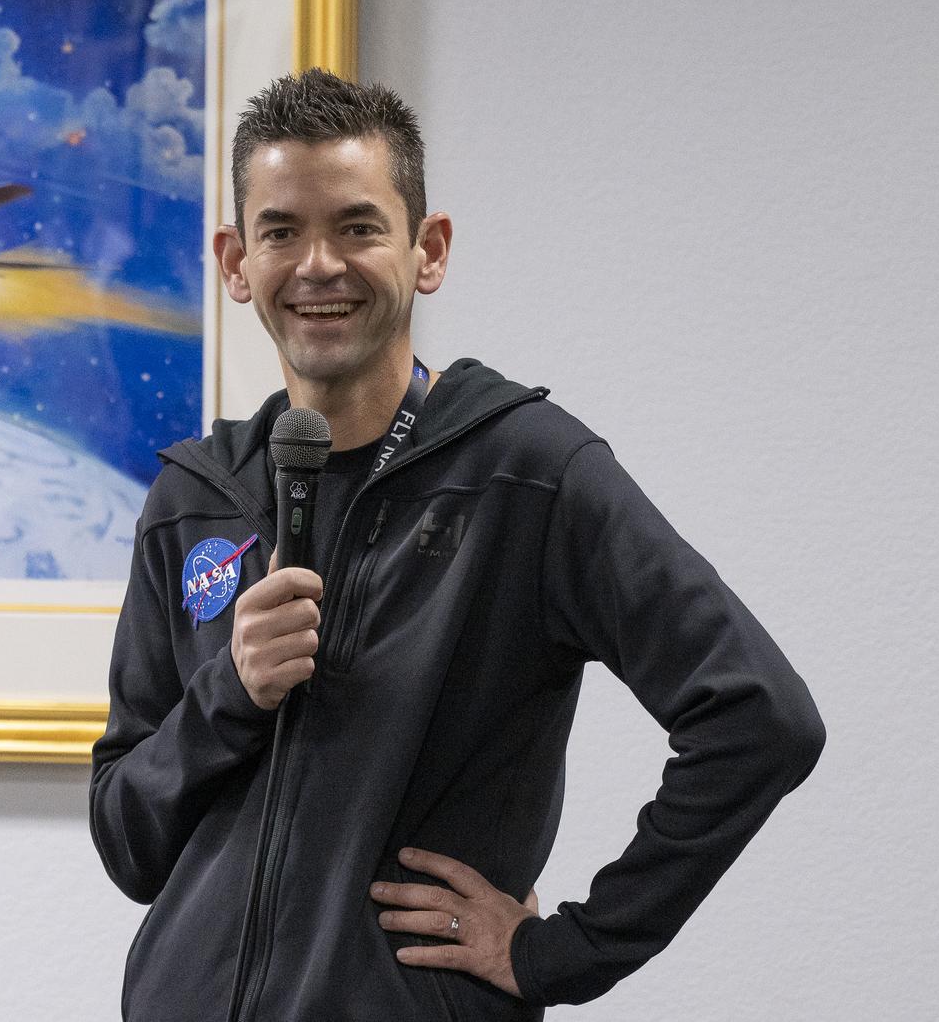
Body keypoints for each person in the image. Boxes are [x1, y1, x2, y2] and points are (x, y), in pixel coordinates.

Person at [88, 69, 823, 1018]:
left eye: (357, 226)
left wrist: (567, 950)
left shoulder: (529, 472)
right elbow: (127, 842)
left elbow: (762, 718)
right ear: (236, 261)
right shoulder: (196, 494)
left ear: (426, 250)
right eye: (281, 231)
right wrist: (232, 689)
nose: (318, 264)